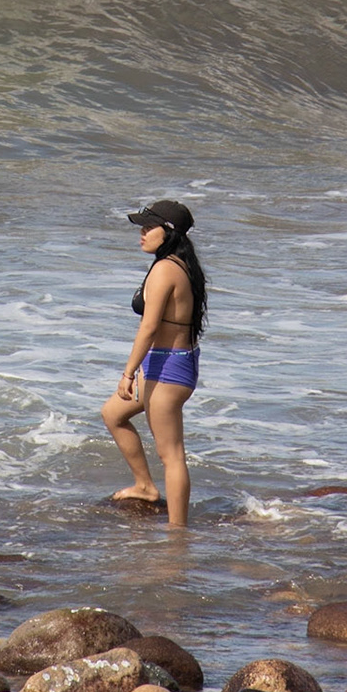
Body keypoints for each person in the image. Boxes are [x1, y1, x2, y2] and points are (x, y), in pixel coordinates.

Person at [102, 199, 206, 527]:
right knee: (113, 414)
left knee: (171, 455)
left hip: (170, 366)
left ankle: (177, 533)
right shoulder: (175, 264)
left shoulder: (165, 269)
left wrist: (128, 372)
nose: (142, 233)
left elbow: (148, 327)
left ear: (170, 232)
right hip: (162, 361)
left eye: (149, 228)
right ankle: (145, 487)